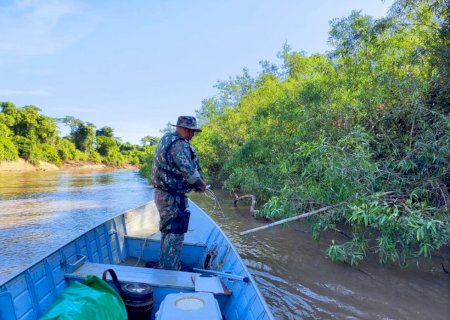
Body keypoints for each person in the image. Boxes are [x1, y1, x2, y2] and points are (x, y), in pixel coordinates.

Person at [152, 116, 207, 270]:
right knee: (175, 232)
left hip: (162, 194)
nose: (192, 135)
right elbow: (188, 170)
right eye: (191, 131)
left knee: (168, 230)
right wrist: (201, 185)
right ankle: (169, 269)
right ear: (183, 128)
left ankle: (165, 264)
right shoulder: (179, 144)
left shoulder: (166, 139)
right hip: (170, 197)